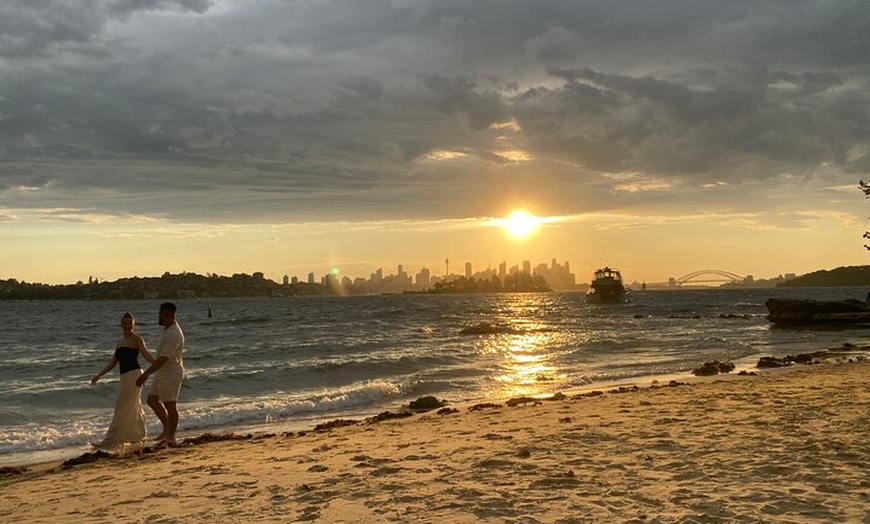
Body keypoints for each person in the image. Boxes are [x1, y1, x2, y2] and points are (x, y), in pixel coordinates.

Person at [91, 312, 156, 449]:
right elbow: (113, 362)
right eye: (125, 323)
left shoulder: (137, 339)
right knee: (134, 406)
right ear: (121, 324)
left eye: (130, 324)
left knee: (122, 407)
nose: (127, 326)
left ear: (133, 325)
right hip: (125, 377)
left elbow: (145, 354)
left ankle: (111, 441)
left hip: (135, 375)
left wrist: (158, 365)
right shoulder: (120, 343)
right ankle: (137, 437)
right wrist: (99, 375)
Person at [136, 302, 185, 444]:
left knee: (170, 405)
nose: (159, 316)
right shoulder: (167, 330)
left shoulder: (174, 334)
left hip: (171, 372)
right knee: (152, 400)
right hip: (162, 371)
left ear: (168, 314)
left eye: (161, 314)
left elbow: (163, 359)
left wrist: (146, 374)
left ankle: (171, 436)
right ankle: (167, 429)